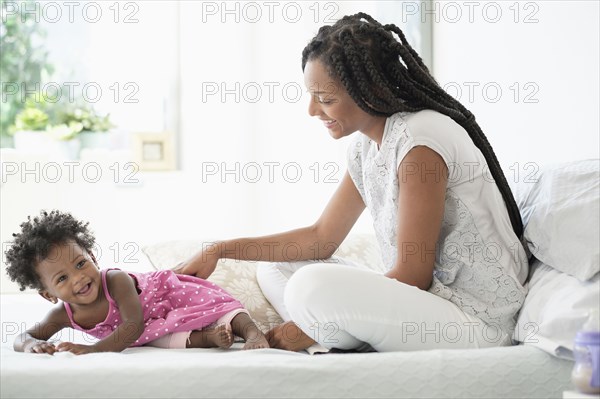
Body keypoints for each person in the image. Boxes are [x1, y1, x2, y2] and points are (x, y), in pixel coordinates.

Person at [175, 12, 528, 353]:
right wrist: (219, 249)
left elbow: (412, 276)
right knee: (276, 267)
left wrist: (304, 329)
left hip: (471, 322)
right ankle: (342, 330)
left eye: (325, 99)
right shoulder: (366, 146)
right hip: (423, 304)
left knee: (310, 288)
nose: (313, 111)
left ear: (369, 89)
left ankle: (336, 331)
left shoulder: (421, 140)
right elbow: (320, 238)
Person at [5, 210, 269, 355]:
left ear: (93, 258)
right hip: (152, 328)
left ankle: (252, 332)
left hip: (167, 297)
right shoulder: (62, 314)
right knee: (163, 341)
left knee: (219, 306)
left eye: (80, 264)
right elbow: (23, 336)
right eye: (62, 278)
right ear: (48, 294)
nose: (79, 278)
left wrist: (94, 350)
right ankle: (209, 339)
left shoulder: (115, 281)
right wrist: (31, 344)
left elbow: (133, 325)